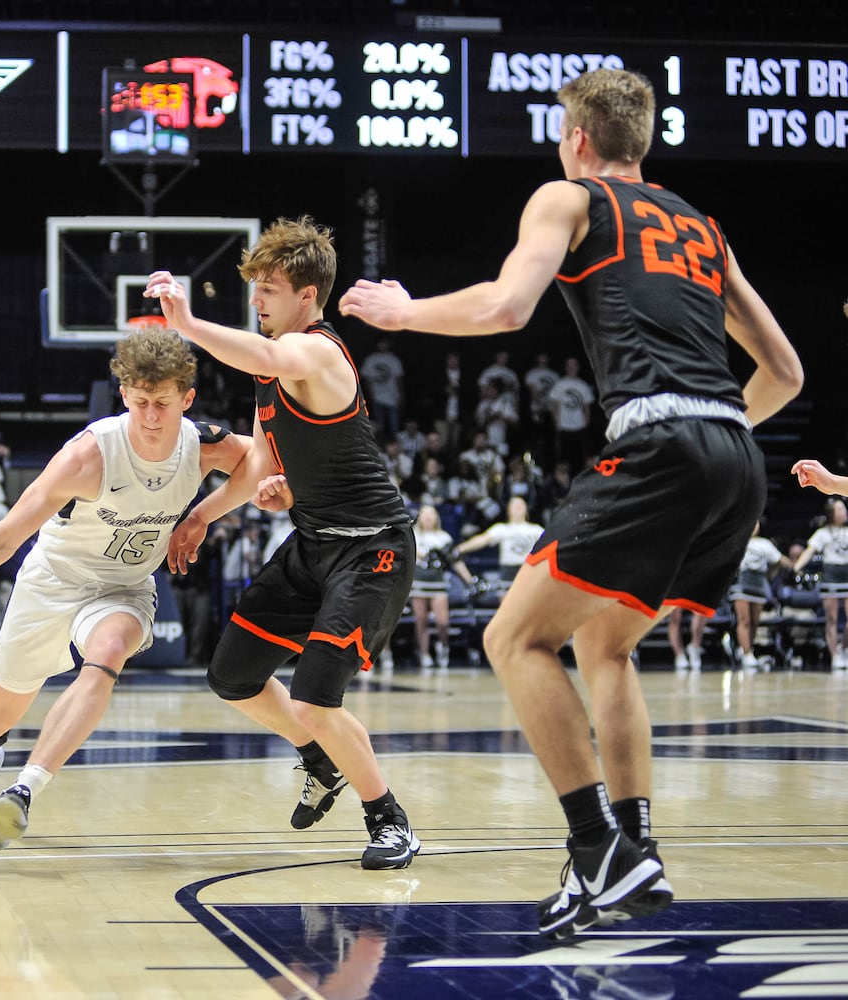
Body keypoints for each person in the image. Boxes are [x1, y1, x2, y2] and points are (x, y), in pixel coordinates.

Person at [340, 68, 803, 936]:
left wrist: (402, 314)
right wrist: (714, 432)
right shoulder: (703, 225)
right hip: (737, 455)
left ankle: (595, 848)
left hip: (661, 438)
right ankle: (632, 851)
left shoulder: (566, 195)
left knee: (510, 636)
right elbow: (786, 373)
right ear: (645, 141)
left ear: (579, 140)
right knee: (605, 645)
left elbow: (507, 306)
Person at [0, 326, 251, 851]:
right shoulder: (88, 456)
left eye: (163, 403)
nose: (152, 417)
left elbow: (269, 463)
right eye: (140, 402)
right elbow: (3, 538)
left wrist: (206, 514)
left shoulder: (204, 445)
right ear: (124, 395)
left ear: (187, 398)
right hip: (51, 582)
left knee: (109, 652)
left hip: (124, 587)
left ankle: (23, 792)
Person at [148, 218, 421, 873]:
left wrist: (184, 324)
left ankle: (388, 820)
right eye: (254, 287)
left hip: (372, 550)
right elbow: (257, 461)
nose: (256, 299)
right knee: (232, 675)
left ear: (306, 294)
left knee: (313, 698)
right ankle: (318, 759)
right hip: (312, 545)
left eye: (268, 288)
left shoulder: (318, 351)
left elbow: (268, 357)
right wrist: (203, 514)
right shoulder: (269, 367)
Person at [409, 504, 477, 671]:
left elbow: (455, 561)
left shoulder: (443, 537)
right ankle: (424, 653)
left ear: (437, 518)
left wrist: (469, 579)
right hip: (418, 583)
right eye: (424, 515)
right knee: (421, 620)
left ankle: (443, 647)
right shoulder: (413, 535)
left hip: (438, 583)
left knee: (442, 622)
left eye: (431, 514)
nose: (428, 518)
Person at [729, 521, 793, 672]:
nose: (754, 525)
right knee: (744, 620)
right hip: (741, 583)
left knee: (754, 622)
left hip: (758, 584)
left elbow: (781, 560)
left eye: (756, 523)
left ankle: (748, 649)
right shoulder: (738, 539)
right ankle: (746, 653)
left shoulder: (764, 544)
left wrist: (772, 573)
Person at [792, 497, 848, 669]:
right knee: (831, 619)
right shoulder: (823, 533)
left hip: (846, 574)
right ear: (832, 514)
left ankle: (843, 647)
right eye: (840, 509)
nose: (844, 512)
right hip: (830, 576)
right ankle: (835, 655)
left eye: (844, 509)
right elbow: (810, 551)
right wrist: (797, 566)